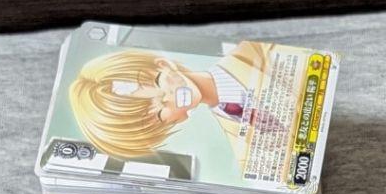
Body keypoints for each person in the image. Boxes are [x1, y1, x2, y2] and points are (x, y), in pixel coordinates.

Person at [69, 43, 275, 167]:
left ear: (164, 65)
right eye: (158, 114)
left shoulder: (257, 52)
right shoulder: (244, 152)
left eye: (159, 83)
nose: (169, 99)